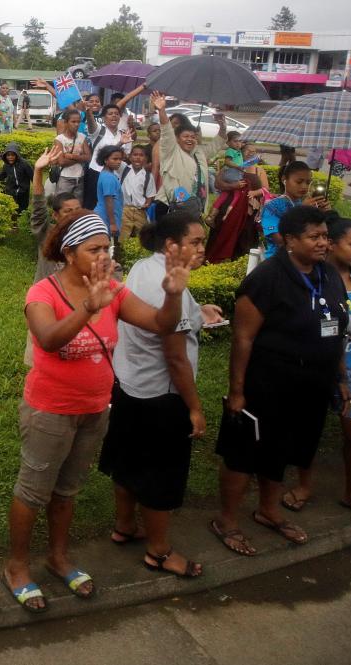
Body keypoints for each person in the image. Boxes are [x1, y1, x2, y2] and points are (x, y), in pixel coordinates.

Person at [3, 211, 193, 613]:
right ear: (71, 253)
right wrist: (88, 308)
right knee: (33, 490)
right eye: (94, 249)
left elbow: (161, 324)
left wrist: (173, 294)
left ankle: (58, 557)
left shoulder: (116, 292)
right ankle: (17, 566)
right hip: (49, 410)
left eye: (107, 248)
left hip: (94, 408)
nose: (104, 256)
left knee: (68, 488)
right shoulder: (43, 292)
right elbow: (50, 340)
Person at [212, 206, 348, 556]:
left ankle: (268, 511)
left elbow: (337, 329)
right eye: (314, 237)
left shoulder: (328, 275)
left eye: (325, 237)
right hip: (269, 381)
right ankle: (226, 520)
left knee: (285, 448)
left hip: (313, 382)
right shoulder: (266, 278)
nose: (322, 243)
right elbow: (243, 338)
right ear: (289, 240)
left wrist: (340, 378)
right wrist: (237, 391)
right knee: (244, 452)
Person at [100, 212, 221, 578]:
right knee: (160, 476)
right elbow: (175, 357)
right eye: (196, 242)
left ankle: (124, 526)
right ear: (171, 246)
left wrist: (198, 312)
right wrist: (194, 407)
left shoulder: (143, 267)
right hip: (161, 396)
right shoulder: (169, 285)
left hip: (129, 386)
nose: (203, 248)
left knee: (128, 462)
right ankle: (159, 550)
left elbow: (165, 316)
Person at [281, 218, 351, 524]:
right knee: (309, 428)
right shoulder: (315, 278)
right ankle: (304, 485)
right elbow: (315, 323)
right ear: (331, 243)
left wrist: (345, 323)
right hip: (317, 366)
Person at [151, 92, 226, 219]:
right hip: (170, 207)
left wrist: (222, 126)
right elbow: (167, 130)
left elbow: (218, 142)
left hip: (194, 209)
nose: (190, 139)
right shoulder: (171, 151)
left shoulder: (199, 152)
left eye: (192, 137)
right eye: (185, 136)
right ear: (177, 139)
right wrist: (162, 110)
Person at [205, 142, 268, 263]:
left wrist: (255, 193)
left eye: (253, 151)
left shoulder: (259, 170)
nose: (250, 153)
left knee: (245, 238)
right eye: (247, 151)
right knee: (221, 234)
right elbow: (217, 184)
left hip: (249, 209)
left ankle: (241, 263)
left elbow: (265, 190)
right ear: (240, 153)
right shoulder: (230, 167)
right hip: (228, 208)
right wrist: (232, 185)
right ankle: (215, 260)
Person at [28, 145, 80, 282]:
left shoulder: (85, 236)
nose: (73, 215)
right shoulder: (47, 234)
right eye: (68, 211)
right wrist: (38, 170)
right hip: (46, 297)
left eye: (77, 211)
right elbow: (39, 204)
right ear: (55, 216)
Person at [260, 161, 329, 260]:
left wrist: (324, 214)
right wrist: (300, 211)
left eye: (308, 182)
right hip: (278, 260)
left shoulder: (309, 206)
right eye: (299, 182)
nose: (304, 186)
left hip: (306, 260)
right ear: (284, 179)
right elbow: (279, 240)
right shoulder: (272, 207)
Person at [82, 104, 132, 210]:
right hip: (96, 173)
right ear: (104, 118)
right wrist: (88, 112)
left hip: (115, 175)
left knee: (111, 205)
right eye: (110, 114)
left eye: (117, 114)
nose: (114, 116)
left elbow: (126, 156)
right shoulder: (99, 131)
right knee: (93, 205)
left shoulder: (123, 134)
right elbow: (91, 124)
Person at [118, 145, 157, 241]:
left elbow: (150, 195)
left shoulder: (148, 176)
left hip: (140, 211)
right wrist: (121, 143)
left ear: (146, 158)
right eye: (135, 155)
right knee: (123, 237)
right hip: (125, 210)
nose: (138, 157)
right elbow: (113, 154)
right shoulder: (124, 169)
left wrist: (147, 203)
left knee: (141, 237)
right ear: (130, 157)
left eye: (141, 155)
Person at [52, 109, 90, 201]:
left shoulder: (82, 137)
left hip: (80, 177)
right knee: (62, 204)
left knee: (77, 206)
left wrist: (72, 156)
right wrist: (81, 158)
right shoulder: (59, 139)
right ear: (66, 122)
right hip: (65, 178)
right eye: (73, 122)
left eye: (78, 122)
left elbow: (88, 157)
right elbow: (61, 162)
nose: (76, 124)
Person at [0, 142, 34, 213]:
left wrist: (38, 190)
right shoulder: (6, 165)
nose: (10, 157)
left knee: (22, 211)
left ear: (17, 155)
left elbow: (33, 177)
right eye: (8, 155)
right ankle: (13, 222)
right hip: (11, 192)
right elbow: (2, 176)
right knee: (11, 210)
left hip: (23, 193)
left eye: (13, 155)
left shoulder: (24, 164)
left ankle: (21, 222)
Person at [93, 145, 125, 241]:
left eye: (120, 159)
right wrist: (112, 223)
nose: (118, 162)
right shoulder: (108, 178)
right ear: (105, 160)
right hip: (105, 217)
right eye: (115, 159)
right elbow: (109, 200)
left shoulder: (108, 174)